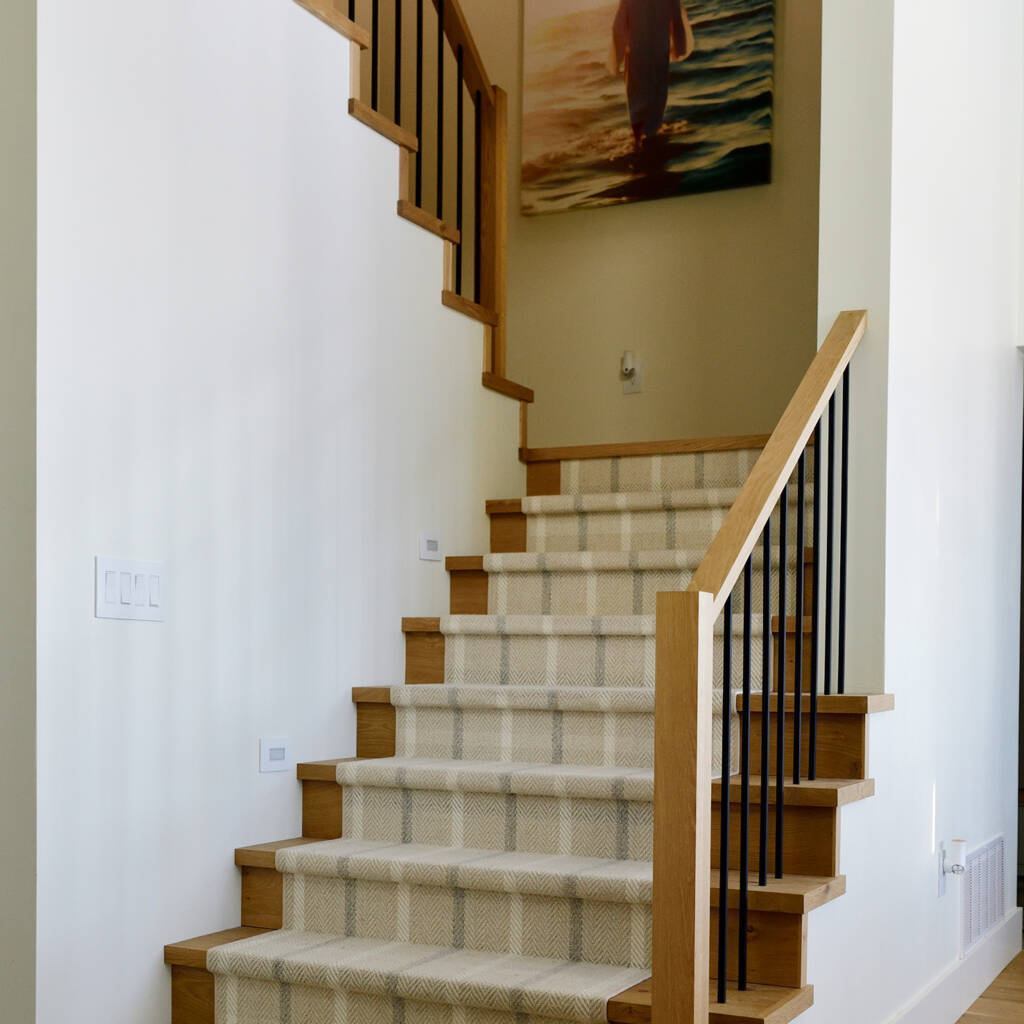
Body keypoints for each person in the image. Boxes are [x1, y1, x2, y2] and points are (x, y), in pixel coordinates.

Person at [610, 0, 695, 151]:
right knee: (657, 94)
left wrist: (618, 56)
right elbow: (676, 17)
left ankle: (637, 142)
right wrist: (679, 46)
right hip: (659, 49)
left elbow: (619, 23)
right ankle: (652, 138)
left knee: (636, 97)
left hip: (636, 50)